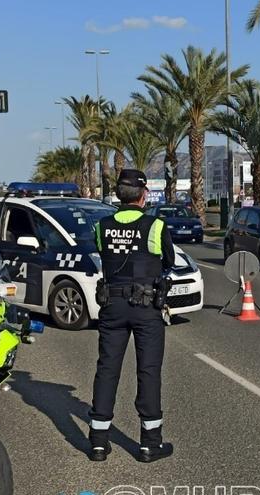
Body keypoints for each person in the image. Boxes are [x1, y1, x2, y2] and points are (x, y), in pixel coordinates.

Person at [88, 168, 176, 463]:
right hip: (146, 306)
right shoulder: (155, 226)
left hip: (112, 305)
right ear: (143, 194)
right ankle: (150, 443)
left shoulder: (102, 226)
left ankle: (98, 442)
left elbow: (102, 251)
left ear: (117, 195)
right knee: (148, 371)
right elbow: (169, 260)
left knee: (107, 369)